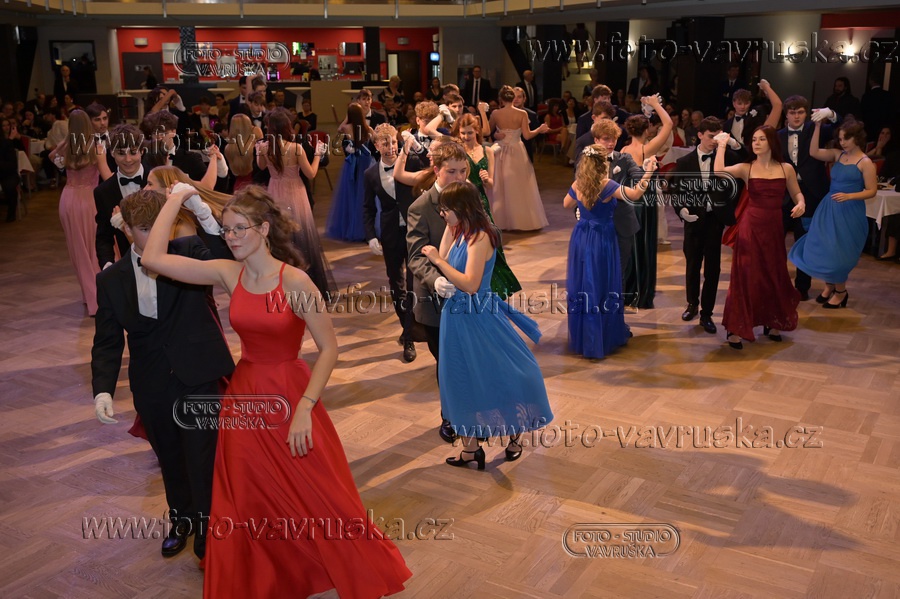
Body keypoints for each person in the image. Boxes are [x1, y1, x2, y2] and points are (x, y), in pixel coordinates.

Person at [140, 185, 412, 598]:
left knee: (315, 491)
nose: (231, 237)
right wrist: (176, 199)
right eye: (227, 229)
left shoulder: (296, 282)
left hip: (290, 394)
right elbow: (152, 259)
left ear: (264, 229)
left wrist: (305, 408)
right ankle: (267, 573)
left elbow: (329, 349)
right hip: (245, 396)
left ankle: (327, 563)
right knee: (248, 492)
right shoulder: (228, 273)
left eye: (240, 229)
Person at [91, 188, 234, 563]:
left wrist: (201, 211)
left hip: (198, 373)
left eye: (158, 225)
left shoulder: (189, 252)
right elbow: (107, 341)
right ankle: (182, 520)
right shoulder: (110, 280)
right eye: (143, 227)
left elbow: (228, 259)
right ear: (126, 229)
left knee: (202, 458)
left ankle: (207, 535)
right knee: (170, 458)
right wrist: (103, 391)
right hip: (152, 383)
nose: (152, 233)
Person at [419, 181, 552, 468]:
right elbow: (445, 257)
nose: (442, 214)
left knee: (503, 373)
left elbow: (470, 284)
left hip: (479, 315)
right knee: (461, 379)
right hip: (455, 318)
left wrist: (438, 261)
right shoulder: (459, 230)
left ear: (462, 208)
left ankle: (514, 435)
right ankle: (471, 450)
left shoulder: (480, 238)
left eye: (446, 209)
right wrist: (446, 235)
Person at [714, 126, 805, 349]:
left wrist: (801, 203)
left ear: (772, 142)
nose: (756, 143)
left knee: (773, 273)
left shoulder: (786, 168)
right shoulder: (747, 168)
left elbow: (796, 193)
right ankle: (736, 328)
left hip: (773, 228)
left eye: (761, 139)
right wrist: (722, 145)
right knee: (745, 275)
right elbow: (719, 172)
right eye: (754, 139)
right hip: (750, 227)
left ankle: (772, 320)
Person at [566, 144, 656, 358]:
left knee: (584, 284)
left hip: (581, 237)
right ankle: (601, 337)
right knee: (602, 284)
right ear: (602, 164)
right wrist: (649, 173)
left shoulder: (578, 183)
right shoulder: (606, 185)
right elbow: (635, 194)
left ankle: (586, 337)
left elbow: (566, 203)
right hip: (602, 239)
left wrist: (583, 208)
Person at [407, 141, 469, 444]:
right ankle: (450, 416)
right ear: (436, 170)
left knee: (468, 360)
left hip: (469, 296)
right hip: (435, 302)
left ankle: (471, 411)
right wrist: (436, 281)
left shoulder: (470, 197)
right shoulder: (421, 207)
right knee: (446, 364)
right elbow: (416, 256)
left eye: (463, 171)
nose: (459, 177)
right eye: (452, 171)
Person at [789, 119, 878, 309]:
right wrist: (818, 127)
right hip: (829, 208)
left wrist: (849, 196)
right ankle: (830, 286)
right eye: (840, 139)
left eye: (846, 139)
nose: (842, 142)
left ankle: (841, 292)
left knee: (840, 252)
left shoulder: (865, 162)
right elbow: (813, 152)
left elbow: (872, 191)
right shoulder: (838, 155)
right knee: (825, 248)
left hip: (850, 211)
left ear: (857, 138)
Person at [256, 108, 336, 299]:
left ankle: (282, 287)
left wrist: (258, 152)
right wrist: (318, 155)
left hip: (275, 191)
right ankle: (305, 285)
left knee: (279, 237)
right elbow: (311, 174)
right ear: (287, 127)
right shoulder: (296, 149)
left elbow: (260, 167)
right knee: (301, 237)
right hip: (295, 193)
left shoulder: (265, 147)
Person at [671, 117, 741, 335]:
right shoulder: (684, 162)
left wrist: (733, 143)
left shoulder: (726, 157)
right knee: (692, 264)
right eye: (711, 136)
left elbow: (746, 159)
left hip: (714, 220)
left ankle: (707, 313)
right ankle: (692, 303)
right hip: (693, 220)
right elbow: (676, 192)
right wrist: (682, 211)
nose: (715, 141)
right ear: (699, 135)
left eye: (718, 136)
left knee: (713, 268)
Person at [50, 109, 113, 315]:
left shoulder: (67, 146)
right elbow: (108, 177)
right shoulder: (96, 148)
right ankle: (98, 299)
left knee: (79, 250)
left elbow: (52, 156)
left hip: (68, 201)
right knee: (94, 249)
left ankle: (89, 296)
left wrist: (66, 141)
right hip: (89, 201)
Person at [777, 97, 841, 301]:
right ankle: (776, 284)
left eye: (801, 112)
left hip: (812, 193)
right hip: (784, 194)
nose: (796, 116)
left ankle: (802, 288)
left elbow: (841, 129)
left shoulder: (816, 129)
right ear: (786, 114)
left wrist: (831, 114)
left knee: (805, 241)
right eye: (792, 112)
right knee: (776, 241)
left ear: (807, 114)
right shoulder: (778, 136)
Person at [452, 113, 521, 298]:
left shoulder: (487, 151)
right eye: (462, 133)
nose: (466, 136)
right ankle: (469, 283)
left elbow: (491, 184)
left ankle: (495, 289)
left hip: (481, 202)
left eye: (469, 133)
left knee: (490, 242)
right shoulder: (458, 152)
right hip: (464, 202)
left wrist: (486, 179)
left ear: (477, 131)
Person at [619, 95, 673, 309]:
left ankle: (627, 289)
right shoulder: (646, 149)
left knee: (630, 246)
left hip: (627, 202)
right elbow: (668, 124)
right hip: (644, 203)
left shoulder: (623, 150)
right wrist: (656, 105)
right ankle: (641, 292)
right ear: (647, 130)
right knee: (643, 245)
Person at [488, 85, 550, 231]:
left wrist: (496, 135)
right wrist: (539, 129)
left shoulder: (496, 113)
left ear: (501, 99)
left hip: (500, 150)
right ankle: (521, 220)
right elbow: (527, 136)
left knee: (500, 186)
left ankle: (500, 220)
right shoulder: (522, 113)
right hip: (517, 150)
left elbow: (487, 131)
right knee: (519, 186)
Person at [94, 124, 147, 269]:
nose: (128, 159)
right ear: (112, 153)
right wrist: (107, 265)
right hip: (129, 263)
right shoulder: (103, 191)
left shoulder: (158, 180)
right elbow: (104, 236)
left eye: (133, 152)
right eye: (121, 153)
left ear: (142, 151)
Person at [328, 103, 375, 242]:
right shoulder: (368, 128)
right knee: (365, 194)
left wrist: (347, 117)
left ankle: (352, 227)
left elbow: (339, 128)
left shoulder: (346, 127)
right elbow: (375, 140)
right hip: (366, 162)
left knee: (352, 194)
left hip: (353, 162)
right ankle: (366, 228)